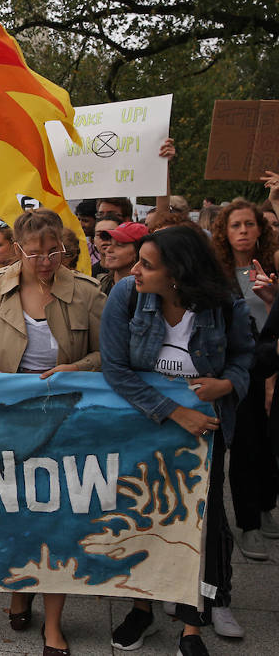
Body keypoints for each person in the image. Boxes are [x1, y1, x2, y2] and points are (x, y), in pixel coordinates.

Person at [101, 225, 254, 656]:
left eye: (147, 265)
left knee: (200, 525)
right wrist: (175, 411)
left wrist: (227, 386)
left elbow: (244, 356)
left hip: (204, 434)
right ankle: (141, 609)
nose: (135, 270)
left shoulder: (224, 305)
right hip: (143, 427)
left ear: (178, 274)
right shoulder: (126, 297)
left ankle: (193, 624)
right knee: (141, 514)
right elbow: (115, 369)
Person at [0, 209, 105, 656]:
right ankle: (22, 588)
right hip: (8, 422)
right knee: (15, 512)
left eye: (54, 251)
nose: (45, 261)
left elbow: (109, 355)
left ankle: (55, 623)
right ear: (18, 249)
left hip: (65, 420)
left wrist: (76, 368)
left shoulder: (87, 293)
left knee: (59, 517)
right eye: (36, 253)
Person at [209, 199, 279, 566]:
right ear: (224, 231)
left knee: (270, 444)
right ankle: (249, 520)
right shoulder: (218, 275)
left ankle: (267, 504)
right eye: (235, 225)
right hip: (241, 370)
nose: (243, 231)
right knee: (247, 443)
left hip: (273, 364)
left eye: (249, 224)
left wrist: (272, 299)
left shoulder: (273, 267)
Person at [96, 222, 148, 295]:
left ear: (139, 251)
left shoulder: (146, 292)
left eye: (119, 245)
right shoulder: (99, 284)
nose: (108, 250)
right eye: (110, 243)